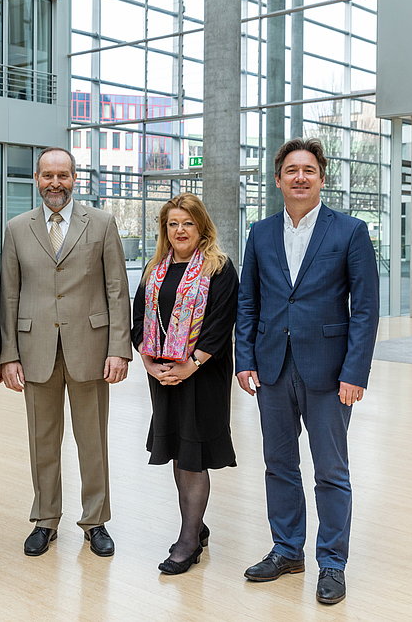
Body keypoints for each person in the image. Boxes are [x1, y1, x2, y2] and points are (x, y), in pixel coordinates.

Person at [235, 138, 379, 604]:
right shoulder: (259, 233)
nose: (300, 177)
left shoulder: (350, 231)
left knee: (331, 471)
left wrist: (354, 372)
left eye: (309, 170)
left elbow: (365, 310)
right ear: (277, 180)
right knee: (279, 465)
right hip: (272, 368)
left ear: (321, 178)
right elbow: (248, 302)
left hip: (330, 372)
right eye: (291, 170)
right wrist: (245, 359)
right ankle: (287, 549)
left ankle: (332, 563)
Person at [0, 146, 131, 558]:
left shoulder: (103, 223)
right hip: (35, 348)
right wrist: (9, 355)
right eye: (47, 175)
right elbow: (9, 293)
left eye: (63, 175)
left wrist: (118, 349)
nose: (55, 182)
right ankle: (45, 519)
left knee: (93, 441)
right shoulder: (17, 227)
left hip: (90, 349)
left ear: (75, 178)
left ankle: (96, 521)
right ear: (37, 180)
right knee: (43, 441)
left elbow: (116, 289)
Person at [131, 193, 238, 575]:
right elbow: (139, 320)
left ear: (201, 226)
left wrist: (189, 366)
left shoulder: (218, 268)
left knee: (193, 453)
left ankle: (188, 540)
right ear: (165, 229)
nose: (180, 230)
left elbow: (220, 325)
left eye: (188, 223)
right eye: (173, 224)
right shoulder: (154, 268)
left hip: (202, 375)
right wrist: (148, 362)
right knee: (178, 448)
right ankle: (197, 524)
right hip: (163, 375)